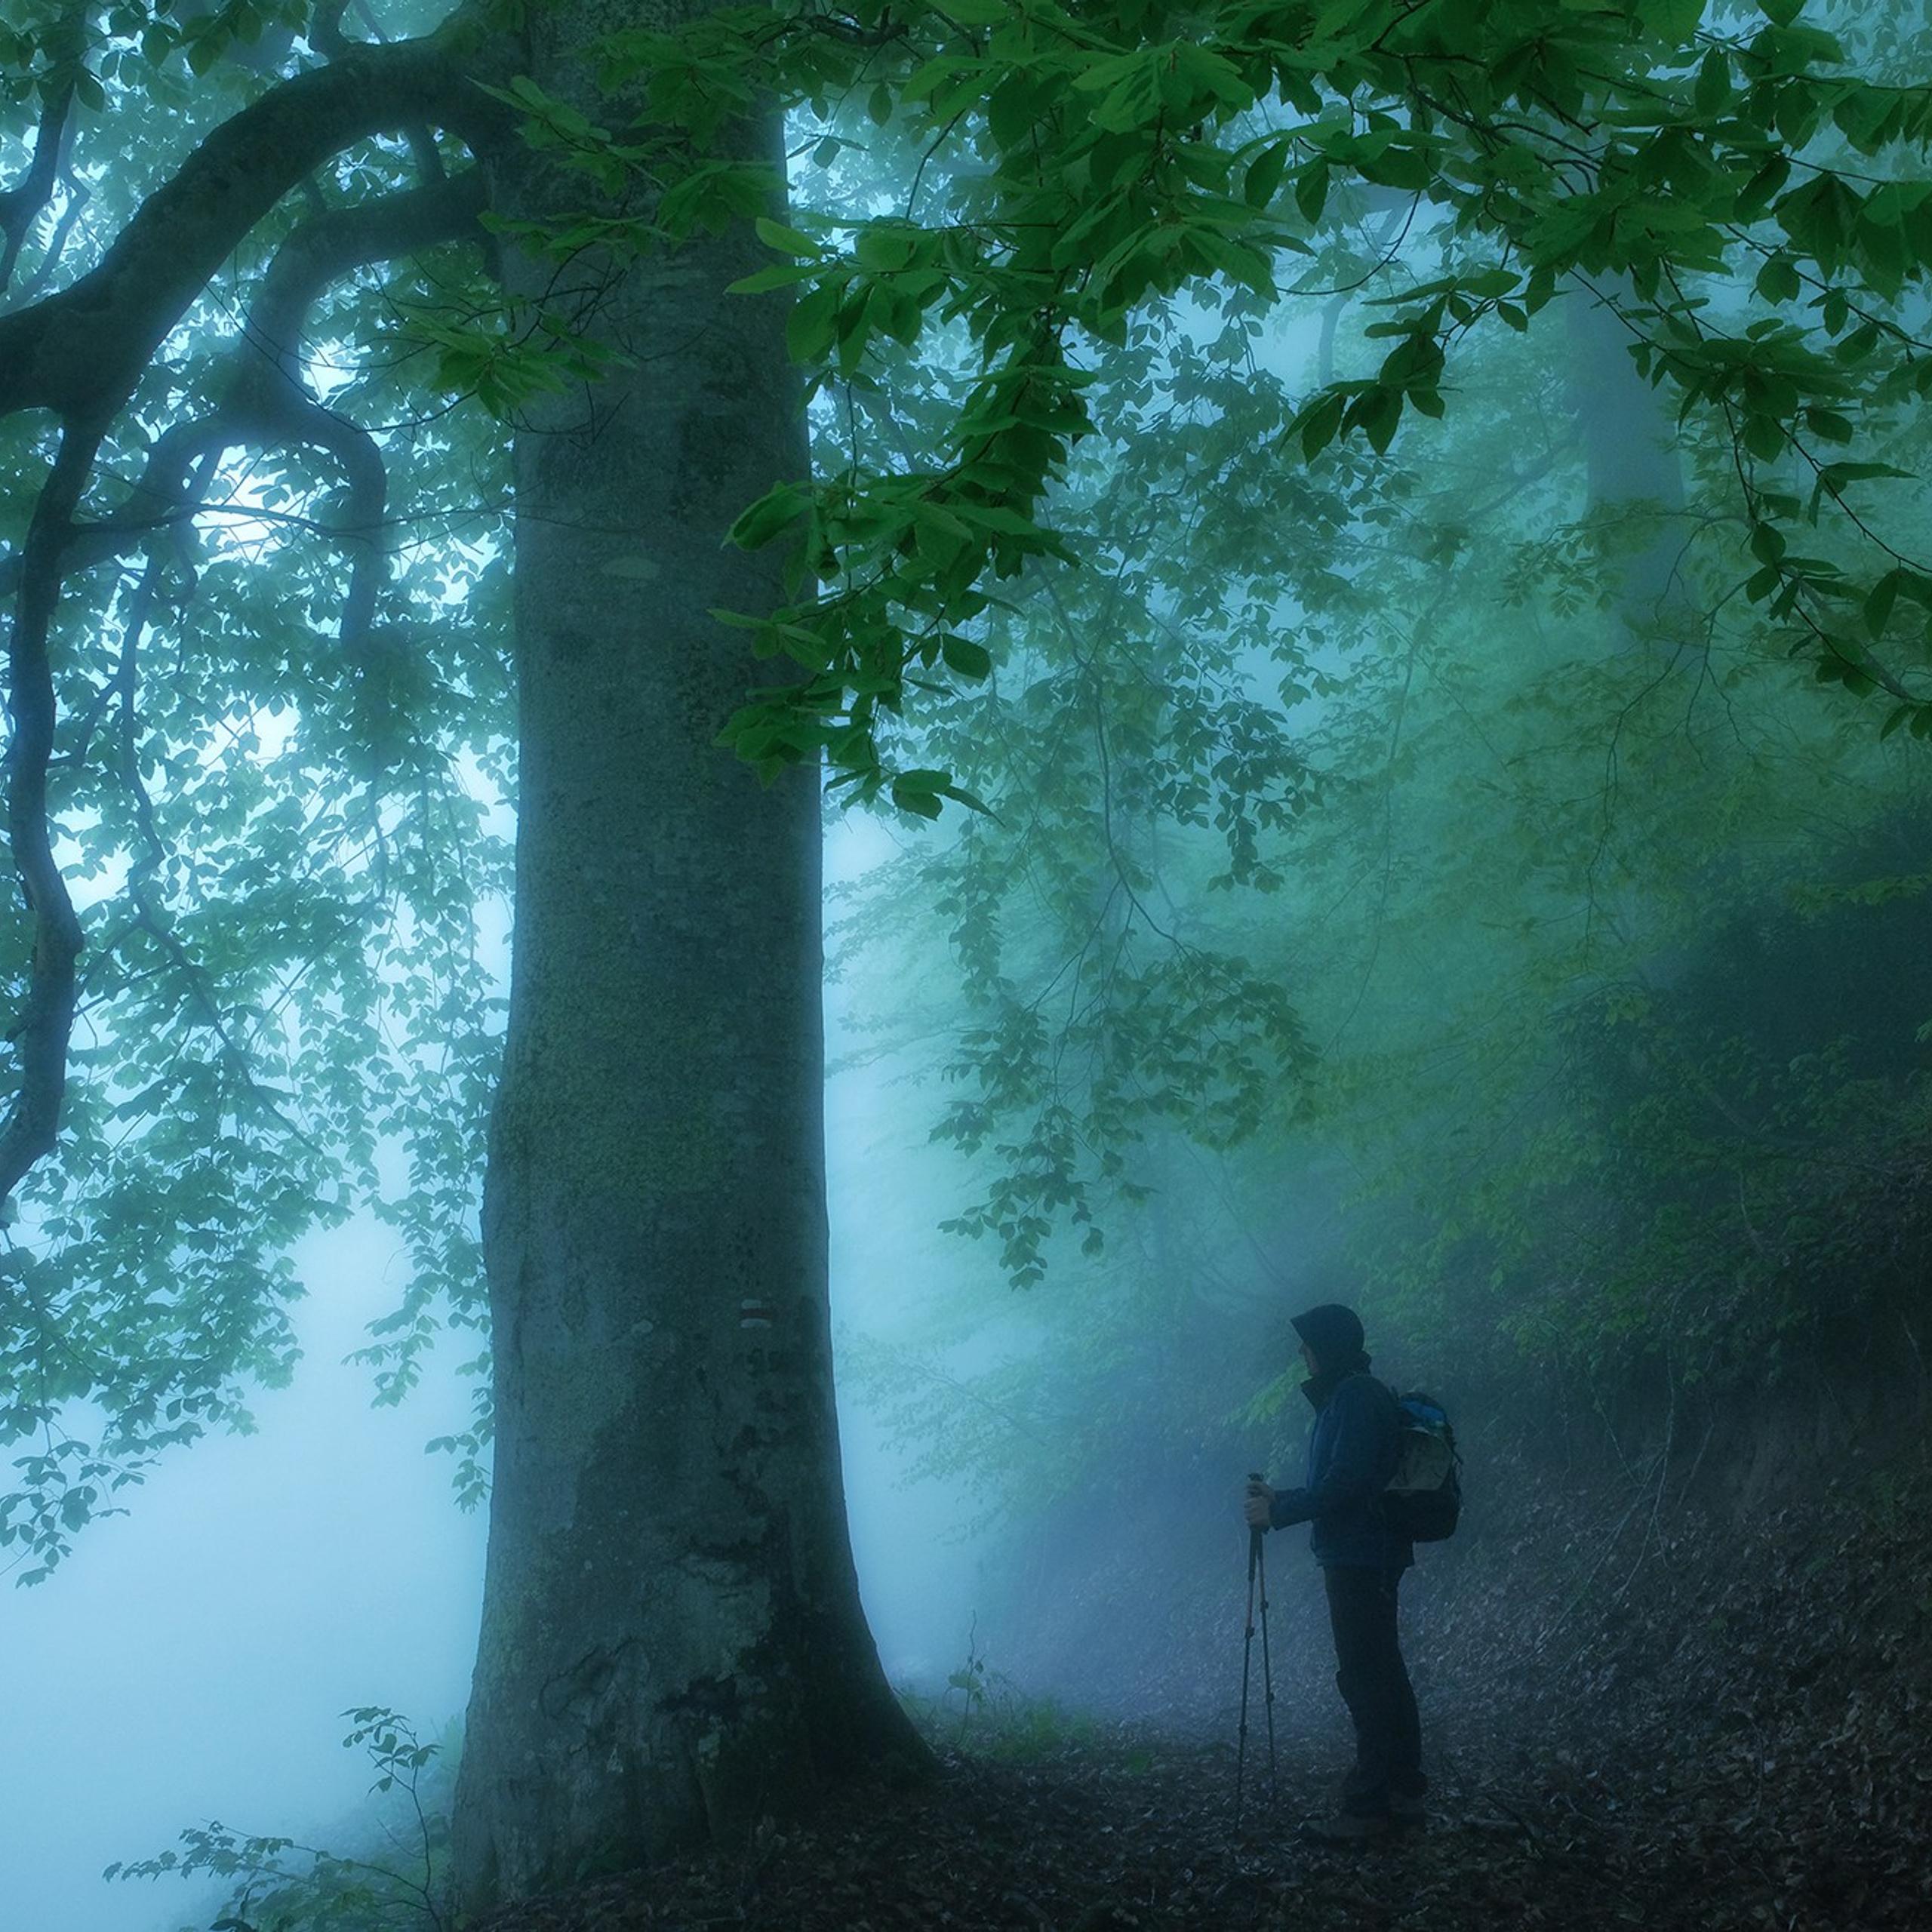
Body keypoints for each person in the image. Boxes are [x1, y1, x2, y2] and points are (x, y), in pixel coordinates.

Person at [1244, 1302, 1426, 1842]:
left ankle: (1371, 1806)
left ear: (1328, 1346)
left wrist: (1277, 1514)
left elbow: (1345, 1485)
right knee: (1382, 1672)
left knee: (1366, 1676)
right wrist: (1283, 1499)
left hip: (1359, 1557)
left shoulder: (1354, 1397)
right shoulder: (1353, 1395)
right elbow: (1343, 1481)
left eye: (1307, 1345)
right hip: (1365, 1553)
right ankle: (1401, 1792)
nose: (1301, 1354)